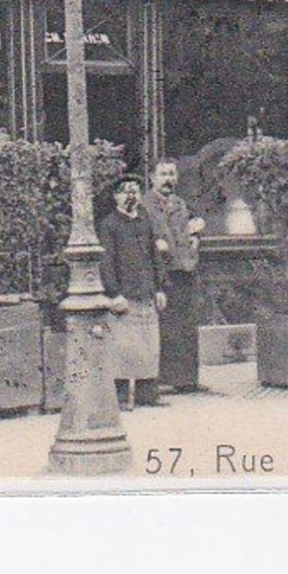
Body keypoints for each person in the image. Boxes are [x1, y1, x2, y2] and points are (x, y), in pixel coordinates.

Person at [98, 173, 168, 411]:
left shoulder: (145, 221)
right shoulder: (108, 225)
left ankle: (147, 393)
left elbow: (154, 255)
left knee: (148, 344)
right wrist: (113, 293)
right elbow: (106, 262)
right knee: (123, 346)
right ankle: (119, 396)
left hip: (146, 291)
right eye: (125, 190)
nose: (131, 195)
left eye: (135, 190)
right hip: (124, 294)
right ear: (116, 196)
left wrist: (159, 287)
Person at [144, 158, 207, 393]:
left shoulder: (181, 203)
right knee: (165, 325)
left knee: (187, 324)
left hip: (185, 269)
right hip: (161, 271)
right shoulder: (146, 205)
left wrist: (196, 238)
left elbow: (191, 230)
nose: (168, 179)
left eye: (172, 174)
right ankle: (162, 380)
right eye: (163, 174)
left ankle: (186, 379)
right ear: (152, 178)